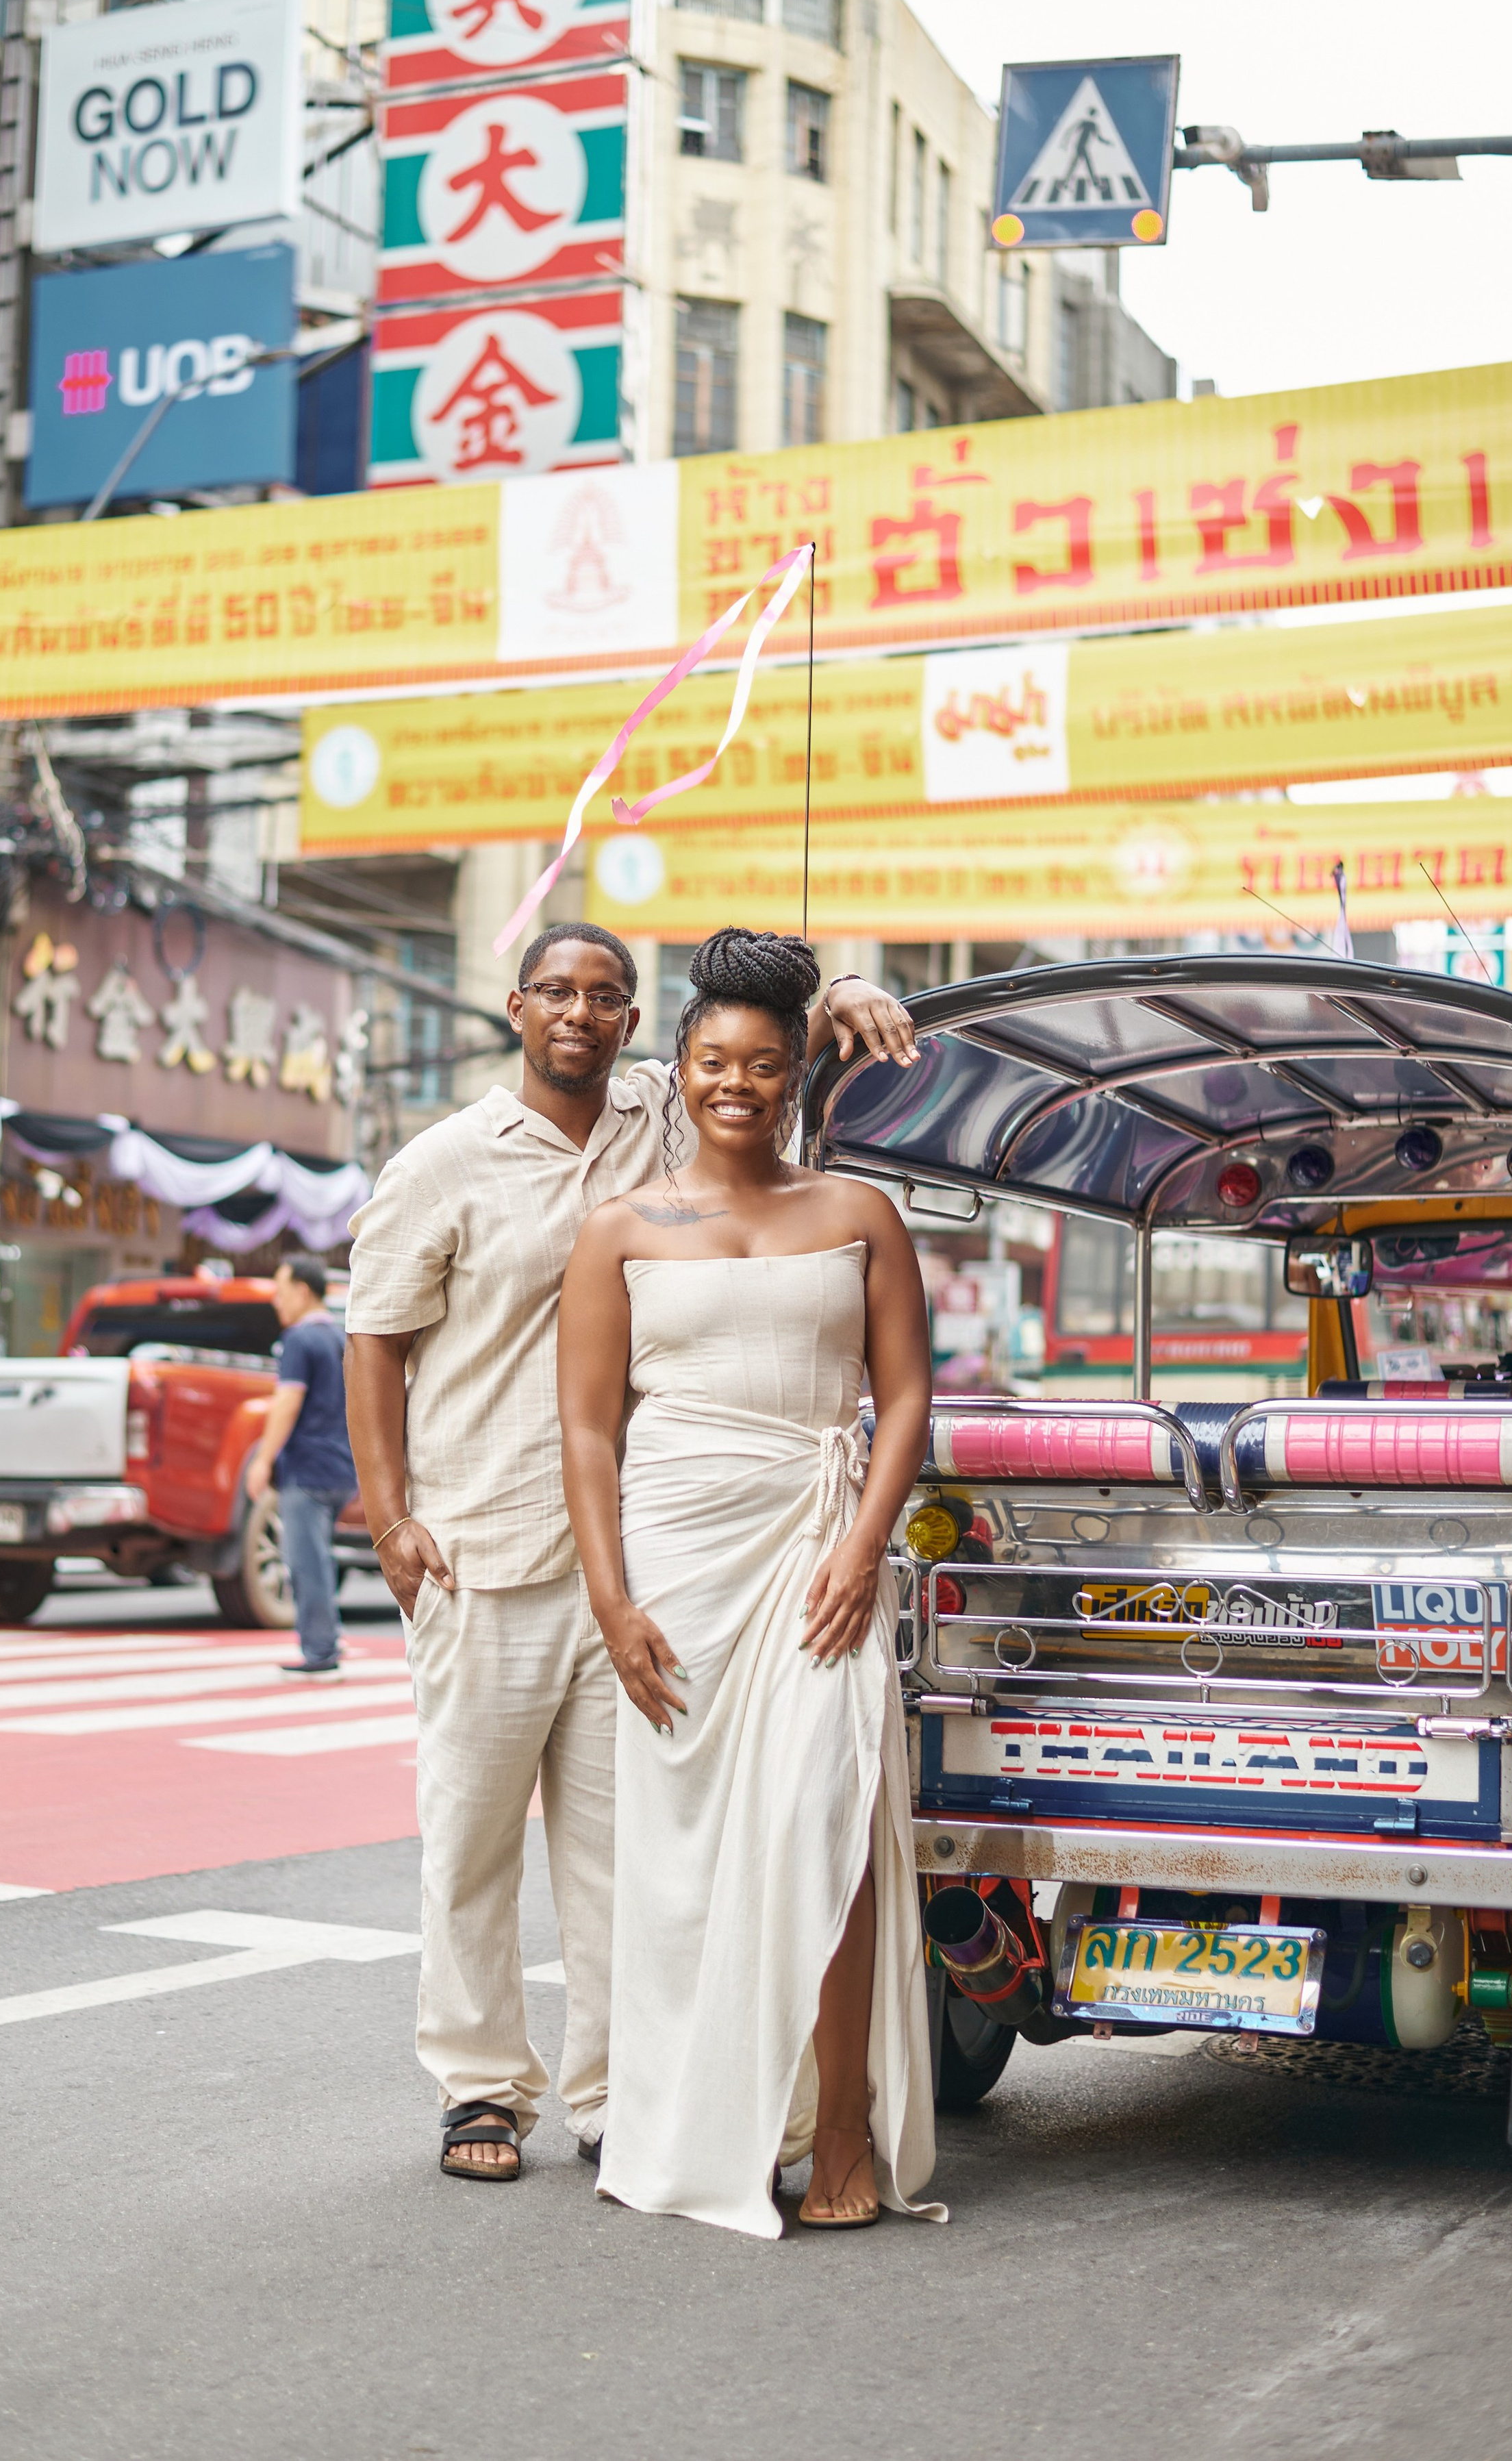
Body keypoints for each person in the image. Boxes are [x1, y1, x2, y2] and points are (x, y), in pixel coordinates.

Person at [344, 923, 918, 2184]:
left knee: (626, 1854)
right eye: (558, 991)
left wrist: (853, 988)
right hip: (484, 1544)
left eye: (606, 997)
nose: (582, 1014)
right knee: (475, 1840)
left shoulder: (658, 1111)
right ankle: (481, 2088)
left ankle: (620, 2094)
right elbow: (374, 1339)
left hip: (646, 1564)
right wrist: (391, 1518)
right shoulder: (440, 1164)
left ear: (631, 1019)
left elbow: (761, 1045)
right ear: (514, 1006)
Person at [557, 927, 941, 2239]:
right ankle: (687, 2125)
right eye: (715, 1060)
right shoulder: (617, 1228)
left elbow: (906, 1400)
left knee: (823, 1827)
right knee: (680, 1862)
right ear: (681, 1068)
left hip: (820, 1556)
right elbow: (590, 1431)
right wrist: (611, 1601)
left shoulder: (857, 1214)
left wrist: (864, 1545)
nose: (739, 1084)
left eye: (765, 1065)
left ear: (798, 1079)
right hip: (676, 1568)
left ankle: (843, 2135)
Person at [245, 1255, 356, 1677]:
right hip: (341, 1467)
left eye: (281, 1290)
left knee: (304, 1562)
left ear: (303, 1291)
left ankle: (321, 1652)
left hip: (306, 1469)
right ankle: (328, 1637)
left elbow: (287, 1403)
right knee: (319, 1557)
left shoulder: (298, 1340)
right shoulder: (339, 1336)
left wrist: (262, 1459)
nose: (276, 1300)